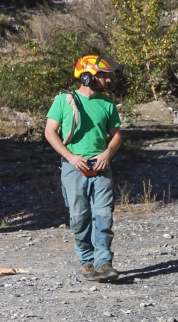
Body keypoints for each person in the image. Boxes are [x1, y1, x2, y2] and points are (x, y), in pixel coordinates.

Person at [45, 55, 124, 282]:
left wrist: (107, 154)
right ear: (87, 77)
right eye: (104, 76)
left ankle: (104, 263)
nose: (109, 80)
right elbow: (49, 132)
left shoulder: (107, 104)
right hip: (73, 168)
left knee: (103, 215)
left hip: (102, 167)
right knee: (79, 216)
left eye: (109, 76)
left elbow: (116, 135)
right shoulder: (63, 101)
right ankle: (87, 261)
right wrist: (70, 156)